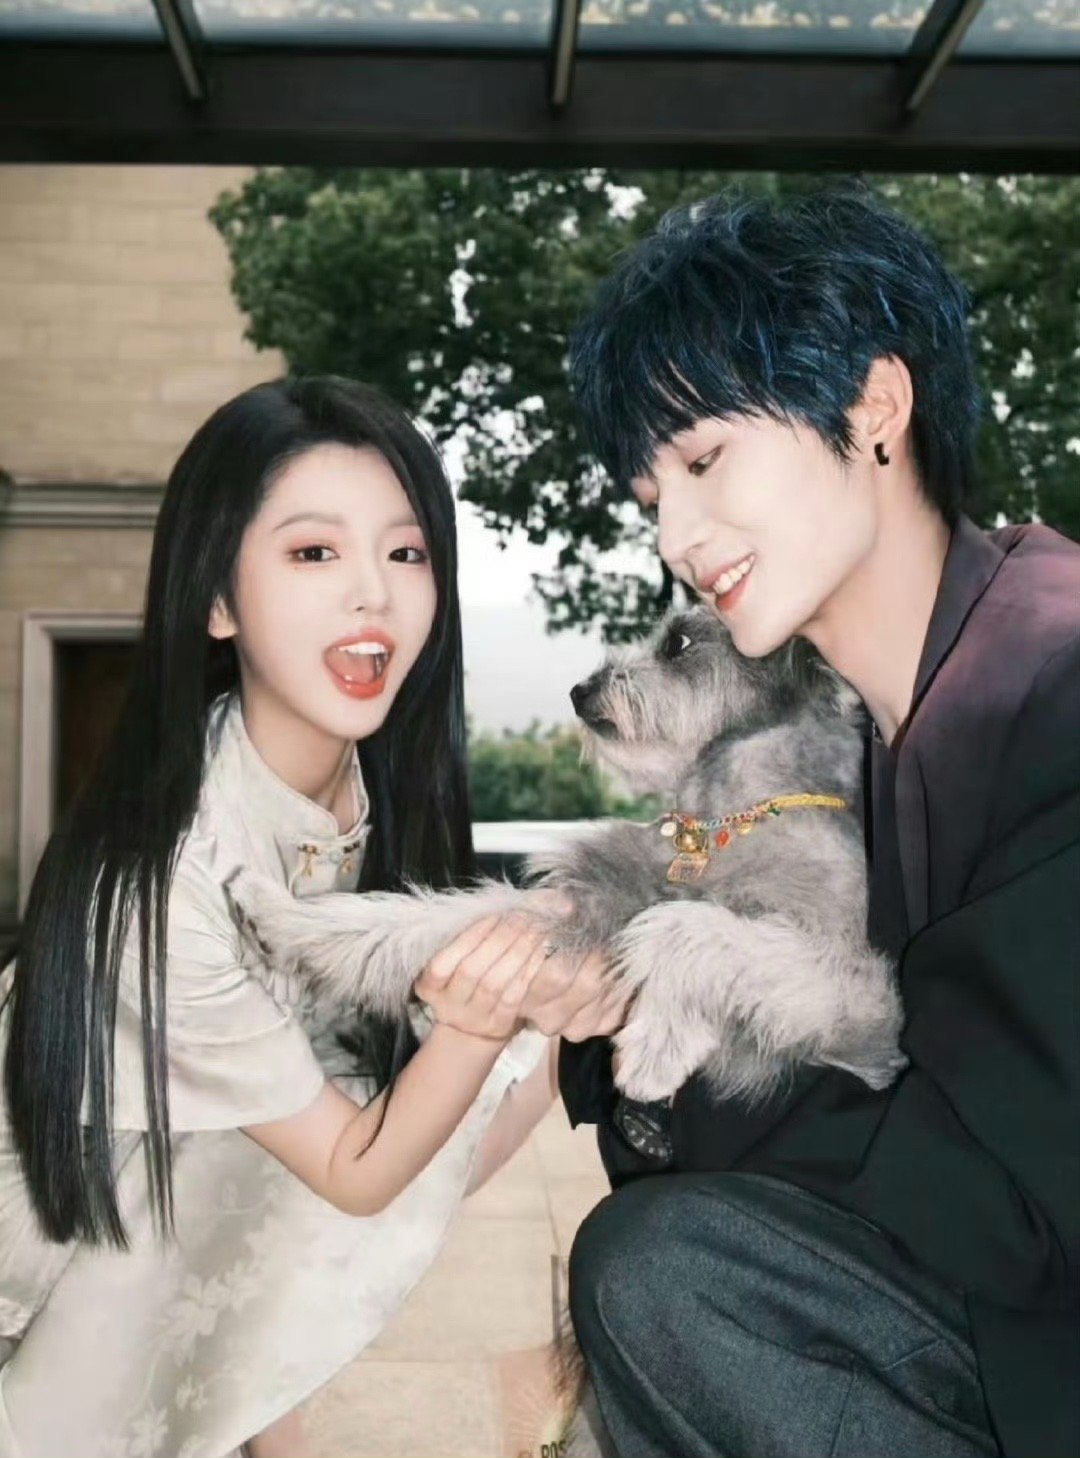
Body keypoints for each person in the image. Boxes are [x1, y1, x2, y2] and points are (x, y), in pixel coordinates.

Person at [0, 376, 620, 1458]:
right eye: (314, 552)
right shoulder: (162, 881)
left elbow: (353, 1158)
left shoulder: (355, 796)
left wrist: (557, 1005)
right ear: (218, 601)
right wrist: (486, 1023)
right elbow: (352, 1175)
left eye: (406, 551)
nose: (372, 593)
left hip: (157, 1252)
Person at [560, 185, 1080, 1458]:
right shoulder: (863, 729)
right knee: (671, 1271)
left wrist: (673, 1041)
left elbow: (1008, 1207)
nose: (676, 536)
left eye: (703, 460)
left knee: (668, 1275)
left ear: (873, 406)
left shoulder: (1053, 681)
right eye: (650, 494)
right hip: (1001, 1309)